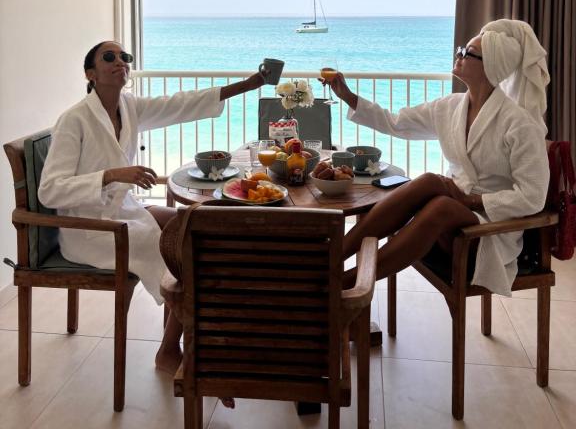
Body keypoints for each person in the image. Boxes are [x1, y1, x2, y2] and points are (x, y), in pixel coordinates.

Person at [38, 40, 269, 378]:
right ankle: (179, 349)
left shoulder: (128, 107)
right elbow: (50, 191)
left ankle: (196, 336)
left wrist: (248, 85)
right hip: (91, 229)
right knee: (180, 251)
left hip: (122, 211)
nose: (120, 62)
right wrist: (112, 175)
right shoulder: (75, 120)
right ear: (91, 73)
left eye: (124, 57)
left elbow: (180, 103)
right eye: (109, 57)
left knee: (190, 224)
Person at [323, 19, 551, 296]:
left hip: (491, 227)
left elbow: (533, 197)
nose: (459, 55)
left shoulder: (519, 123)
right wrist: (348, 96)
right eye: (461, 49)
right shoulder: (451, 107)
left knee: (442, 204)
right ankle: (330, 261)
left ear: (490, 65)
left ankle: (344, 285)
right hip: (460, 204)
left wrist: (474, 200)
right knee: (431, 181)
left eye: (468, 53)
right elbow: (396, 122)